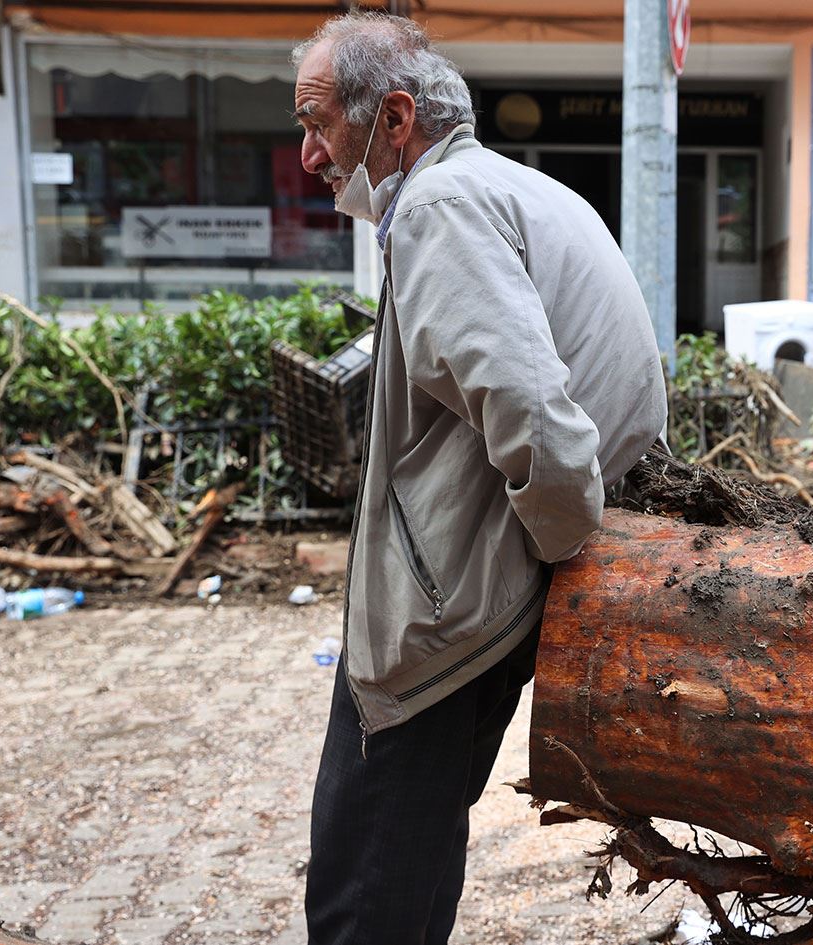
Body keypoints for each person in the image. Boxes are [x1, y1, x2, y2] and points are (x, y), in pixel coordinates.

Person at [291, 13, 668, 944]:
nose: (307, 155)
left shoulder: (437, 206)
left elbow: (537, 417)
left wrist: (553, 546)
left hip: (444, 613)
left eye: (318, 123)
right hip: (468, 593)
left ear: (395, 118)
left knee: (363, 888)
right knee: (404, 867)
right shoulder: (500, 186)